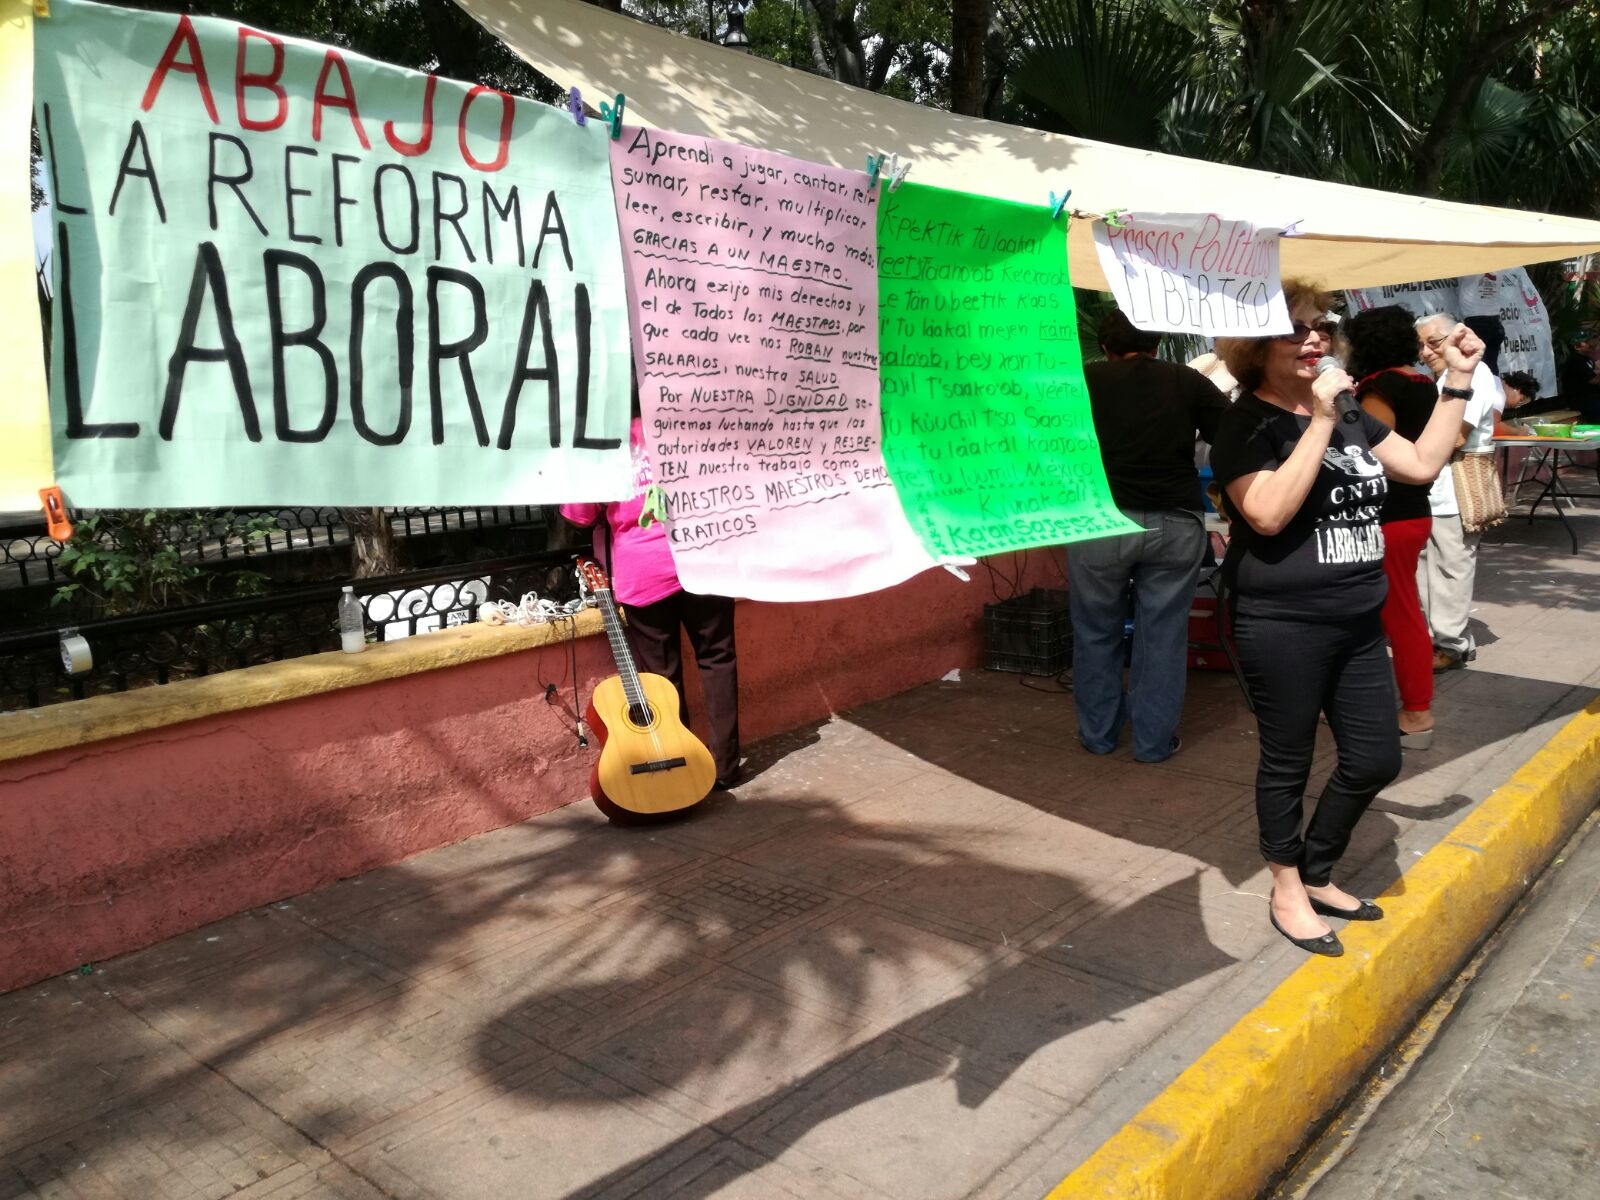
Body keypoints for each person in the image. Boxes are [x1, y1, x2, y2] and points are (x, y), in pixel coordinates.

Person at [1212, 280, 1482, 957]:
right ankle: (1286, 887)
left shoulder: (1351, 411)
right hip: (1283, 622)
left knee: (1374, 756)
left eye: (1321, 326)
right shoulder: (1247, 424)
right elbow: (1266, 512)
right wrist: (1324, 419)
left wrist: (1457, 381)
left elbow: (1420, 465)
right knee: (1288, 759)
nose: (1313, 337)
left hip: (1359, 620)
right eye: (1293, 328)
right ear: (1253, 348)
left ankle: (1317, 867)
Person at [1066, 309, 1229, 763]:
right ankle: (1153, 743)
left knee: (1095, 630)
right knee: (1163, 635)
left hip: (1098, 521)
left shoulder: (1083, 381)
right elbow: (1231, 433)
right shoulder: (1186, 380)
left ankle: (1098, 735)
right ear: (1157, 344)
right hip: (1175, 520)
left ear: (1104, 346)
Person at [560, 406, 742, 790]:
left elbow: (578, 515)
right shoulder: (687, 421)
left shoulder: (599, 444)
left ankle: (685, 766)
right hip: (704, 557)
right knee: (717, 658)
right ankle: (726, 766)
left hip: (643, 572)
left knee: (662, 679)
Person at [1341, 306, 1439, 749]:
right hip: (1412, 511)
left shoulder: (1380, 386)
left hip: (1387, 516)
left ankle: (1416, 714)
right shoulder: (1423, 384)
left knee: (1399, 616)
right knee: (1399, 612)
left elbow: (1372, 446)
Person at [1415, 311, 1504, 672]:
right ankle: (1441, 637)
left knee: (1451, 565)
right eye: (1420, 345)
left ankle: (1452, 644)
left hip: (1457, 484)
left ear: (1458, 337)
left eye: (1432, 342)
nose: (1425, 351)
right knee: (1428, 564)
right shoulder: (1445, 377)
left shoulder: (1475, 374)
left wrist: (1414, 454)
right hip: (1435, 483)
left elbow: (1456, 435)